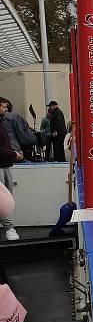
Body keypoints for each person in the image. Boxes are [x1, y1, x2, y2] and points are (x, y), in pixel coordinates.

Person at [0, 99, 22, 240]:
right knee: (3, 200)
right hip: (2, 165)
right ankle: (9, 227)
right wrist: (13, 153)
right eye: (3, 106)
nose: (6, 109)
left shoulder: (2, 122)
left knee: (7, 199)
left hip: (6, 164)